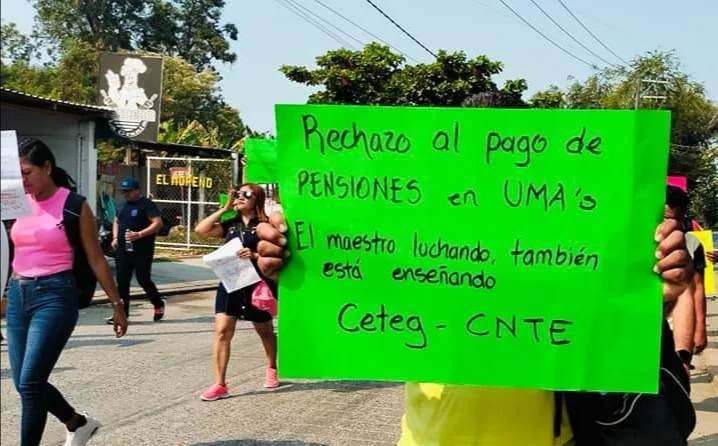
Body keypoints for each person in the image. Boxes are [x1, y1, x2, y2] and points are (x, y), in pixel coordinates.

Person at [252, 94, 694, 446]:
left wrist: (660, 286)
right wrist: (291, 269)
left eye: (503, 155)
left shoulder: (570, 246)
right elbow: (351, 294)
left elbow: (614, 321)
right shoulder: (411, 242)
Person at [7, 138, 128, 446]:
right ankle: (78, 423)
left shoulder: (74, 206)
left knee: (31, 382)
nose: (23, 180)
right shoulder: (14, 203)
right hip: (17, 294)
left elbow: (96, 258)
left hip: (55, 295)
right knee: (25, 384)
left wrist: (117, 304)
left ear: (47, 167)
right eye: (16, 174)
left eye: (27, 172)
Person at [195, 183, 280, 401]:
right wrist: (225, 209)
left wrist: (254, 255)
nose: (240, 197)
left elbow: (277, 251)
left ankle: (272, 367)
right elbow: (201, 230)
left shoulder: (264, 225)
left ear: (257, 199)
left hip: (256, 284)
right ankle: (220, 383)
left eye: (246, 194)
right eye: (238, 194)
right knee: (222, 331)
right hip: (230, 282)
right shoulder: (230, 224)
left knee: (264, 330)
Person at [106, 177, 165, 324]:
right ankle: (122, 314)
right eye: (124, 192)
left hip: (142, 250)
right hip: (124, 250)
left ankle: (158, 303)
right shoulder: (123, 206)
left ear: (138, 190)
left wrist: (139, 234)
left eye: (129, 191)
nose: (126, 194)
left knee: (143, 279)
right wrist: (114, 237)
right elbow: (116, 220)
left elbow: (157, 223)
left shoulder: (146, 205)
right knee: (122, 282)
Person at [665, 185, 707, 357]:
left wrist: (700, 329)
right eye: (665, 218)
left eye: (676, 220)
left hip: (678, 324)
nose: (670, 225)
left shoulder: (691, 243)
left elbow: (697, 288)